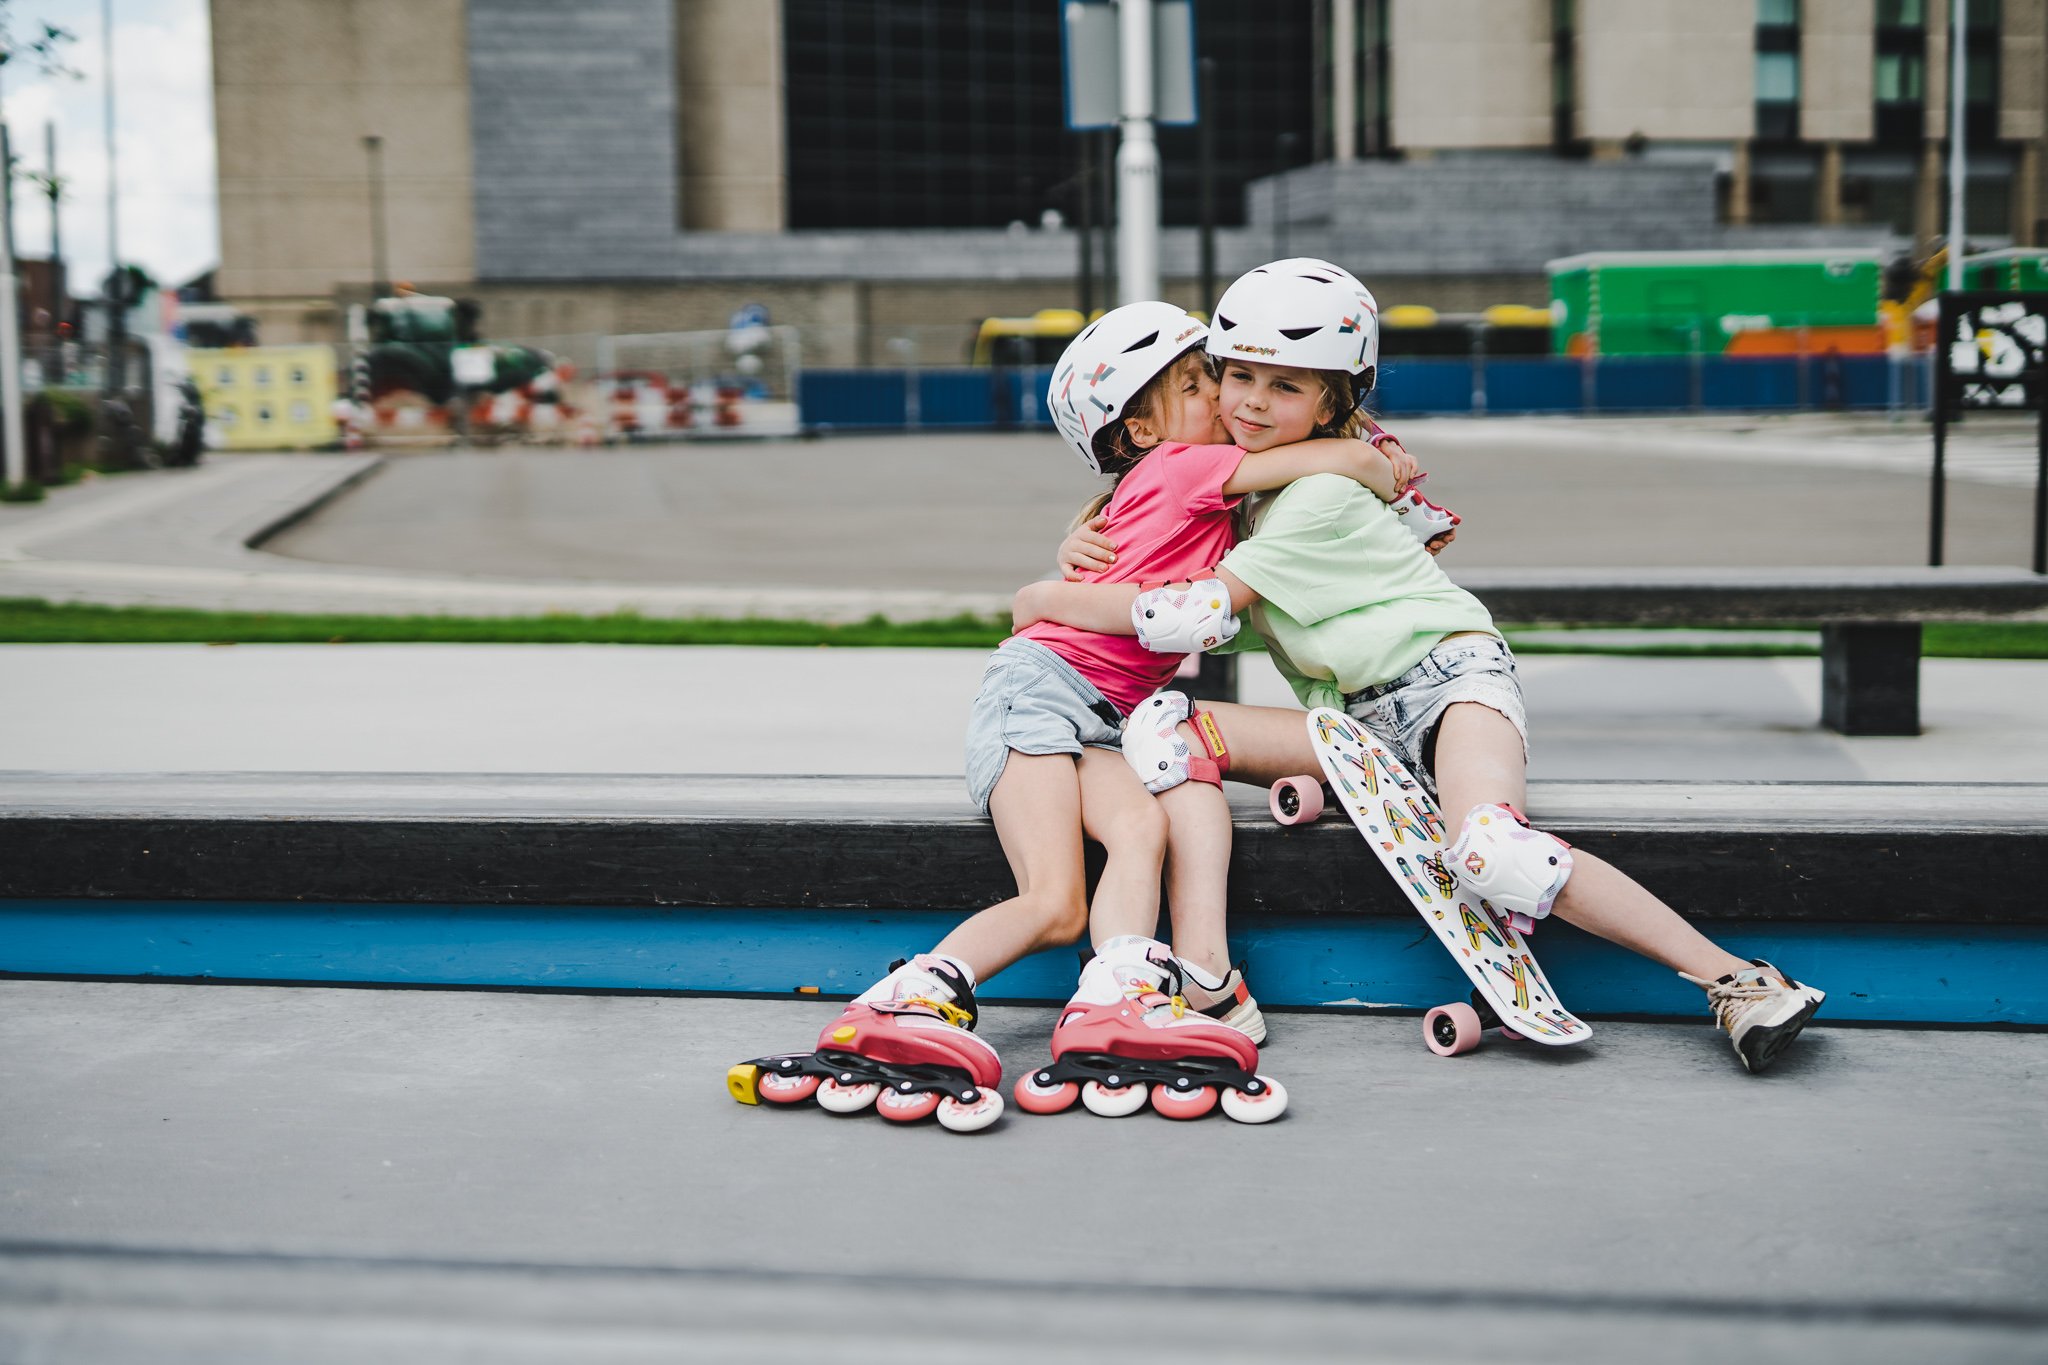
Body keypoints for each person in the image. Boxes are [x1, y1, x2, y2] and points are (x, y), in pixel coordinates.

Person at [1017, 259, 1827, 1075]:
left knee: (1493, 853)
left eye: (1287, 386)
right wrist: (1084, 542)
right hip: (1355, 723)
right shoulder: (1253, 493)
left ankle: (1737, 980)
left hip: (1451, 683)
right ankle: (1209, 978)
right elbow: (1185, 561)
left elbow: (1193, 617)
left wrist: (1046, 596)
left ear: (1334, 402)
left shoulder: (1319, 498)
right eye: (1238, 377)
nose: (1253, 403)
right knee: (1166, 732)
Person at [730, 300, 1410, 1128]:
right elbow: (1335, 458)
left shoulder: (1164, 480)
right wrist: (1383, 463)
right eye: (1199, 385)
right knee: (1055, 901)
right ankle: (902, 999)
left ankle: (1115, 996)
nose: (1225, 400)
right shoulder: (1182, 469)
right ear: (1143, 432)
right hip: (1043, 693)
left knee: (1141, 834)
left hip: (1104, 714)